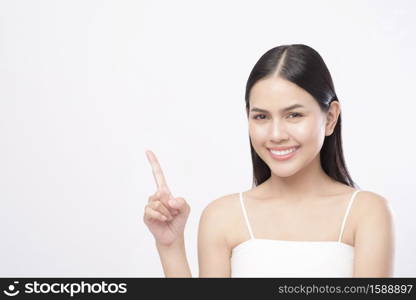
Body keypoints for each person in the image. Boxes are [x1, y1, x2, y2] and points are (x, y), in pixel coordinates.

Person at [143, 44, 395, 277]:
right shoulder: (222, 217)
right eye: (261, 117)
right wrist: (170, 247)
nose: (276, 135)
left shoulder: (367, 213)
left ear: (330, 118)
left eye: (294, 115)